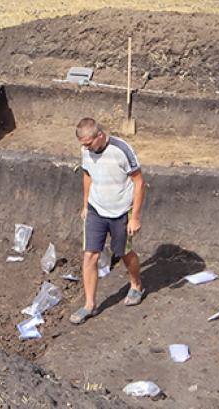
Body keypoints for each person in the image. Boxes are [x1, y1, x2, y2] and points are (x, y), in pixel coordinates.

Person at [69, 117, 145, 325]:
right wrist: (85, 205)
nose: (85, 148)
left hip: (121, 212)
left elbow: (139, 182)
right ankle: (89, 305)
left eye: (88, 143)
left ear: (100, 136)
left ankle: (136, 285)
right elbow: (87, 175)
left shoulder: (121, 150)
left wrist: (135, 217)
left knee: (123, 252)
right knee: (90, 256)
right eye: (82, 144)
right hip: (96, 210)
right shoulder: (86, 151)